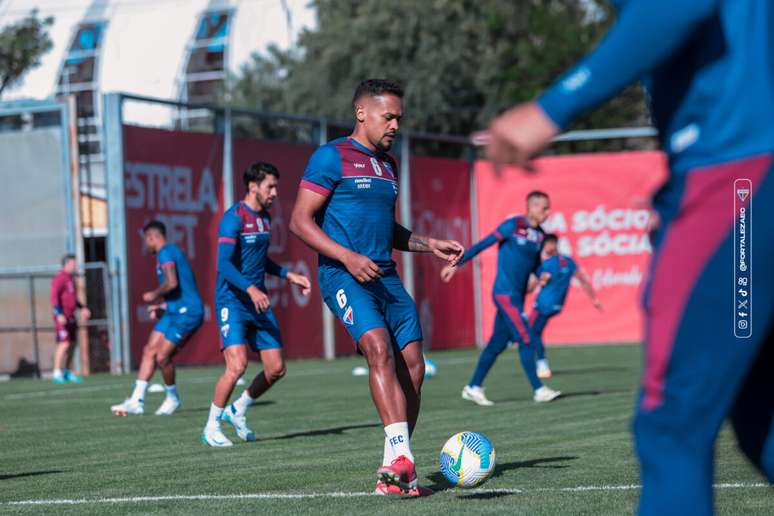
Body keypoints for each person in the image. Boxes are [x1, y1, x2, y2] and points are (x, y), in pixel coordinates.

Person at [475, 1, 774, 513]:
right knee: (757, 411)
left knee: (671, 422)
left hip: (737, 176)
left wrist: (552, 108)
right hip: (740, 177)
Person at [289, 79, 464, 496]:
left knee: (415, 367)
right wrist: (346, 257)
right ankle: (404, 457)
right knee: (378, 348)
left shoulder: (388, 165)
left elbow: (388, 230)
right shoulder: (330, 157)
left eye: (399, 118)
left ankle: (393, 469)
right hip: (343, 275)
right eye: (388, 117)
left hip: (386, 276)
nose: (395, 126)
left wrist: (428, 243)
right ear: (361, 113)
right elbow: (300, 221)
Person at [201, 161, 311, 447]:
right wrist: (250, 289)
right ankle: (211, 426)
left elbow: (260, 261)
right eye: (270, 186)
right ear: (253, 187)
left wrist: (289, 275)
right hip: (232, 301)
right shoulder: (233, 218)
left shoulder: (264, 217)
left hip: (256, 301)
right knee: (236, 366)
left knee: (276, 368)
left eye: (276, 186)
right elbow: (223, 264)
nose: (274, 192)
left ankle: (238, 409)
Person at [442, 192, 561, 406]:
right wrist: (456, 264)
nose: (547, 212)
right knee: (525, 338)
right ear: (531, 207)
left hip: (517, 296)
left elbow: (533, 264)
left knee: (497, 343)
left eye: (548, 208)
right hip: (504, 293)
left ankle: (473, 387)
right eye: (544, 208)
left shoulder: (541, 235)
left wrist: (541, 273)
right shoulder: (513, 225)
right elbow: (483, 244)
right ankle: (539, 389)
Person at [111, 221, 204, 416]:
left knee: (162, 356)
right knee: (149, 350)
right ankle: (137, 400)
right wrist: (163, 306)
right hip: (174, 310)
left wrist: (154, 295)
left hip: (188, 312)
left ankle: (172, 397)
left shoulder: (165, 252)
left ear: (153, 237)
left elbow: (172, 282)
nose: (146, 244)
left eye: (146, 240)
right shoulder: (168, 252)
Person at [526, 233, 602, 378]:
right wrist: (594, 299)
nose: (546, 247)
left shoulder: (547, 264)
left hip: (544, 303)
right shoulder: (567, 261)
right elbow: (582, 280)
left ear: (554, 244)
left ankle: (542, 364)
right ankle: (535, 358)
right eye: (545, 244)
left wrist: (521, 288)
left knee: (532, 332)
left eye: (549, 243)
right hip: (555, 304)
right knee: (532, 331)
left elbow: (532, 286)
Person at [50, 254, 90, 384]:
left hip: (71, 317)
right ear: (66, 264)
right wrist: (59, 314)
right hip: (62, 317)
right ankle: (56, 373)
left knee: (72, 344)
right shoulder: (59, 278)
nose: (75, 266)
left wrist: (82, 307)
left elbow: (72, 299)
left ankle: (66, 371)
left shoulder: (70, 279)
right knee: (64, 343)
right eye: (73, 264)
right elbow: (54, 298)